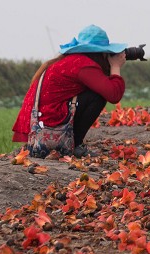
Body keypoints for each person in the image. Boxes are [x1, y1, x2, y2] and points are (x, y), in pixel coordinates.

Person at [12, 24, 127, 158]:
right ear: (101, 52)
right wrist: (115, 66)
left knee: (93, 93)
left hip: (38, 119)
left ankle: (71, 143)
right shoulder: (84, 65)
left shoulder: (73, 60)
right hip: (47, 118)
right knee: (96, 97)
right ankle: (75, 145)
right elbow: (113, 94)